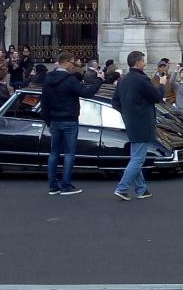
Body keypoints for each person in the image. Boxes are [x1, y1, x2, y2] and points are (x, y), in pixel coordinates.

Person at [39, 53, 103, 195]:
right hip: (69, 120)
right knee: (69, 154)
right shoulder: (70, 80)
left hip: (54, 120)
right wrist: (99, 80)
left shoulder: (48, 79)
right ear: (66, 62)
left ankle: (53, 185)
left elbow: (44, 102)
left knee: (54, 153)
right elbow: (87, 93)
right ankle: (66, 185)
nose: (74, 65)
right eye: (73, 63)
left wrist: (48, 121)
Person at [111, 50, 161, 200]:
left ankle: (141, 189)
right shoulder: (142, 79)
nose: (145, 63)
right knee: (138, 158)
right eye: (143, 61)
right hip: (142, 122)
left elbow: (115, 102)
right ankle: (122, 187)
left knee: (135, 156)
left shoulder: (123, 80)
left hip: (130, 121)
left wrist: (127, 113)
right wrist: (161, 85)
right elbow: (156, 97)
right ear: (138, 62)